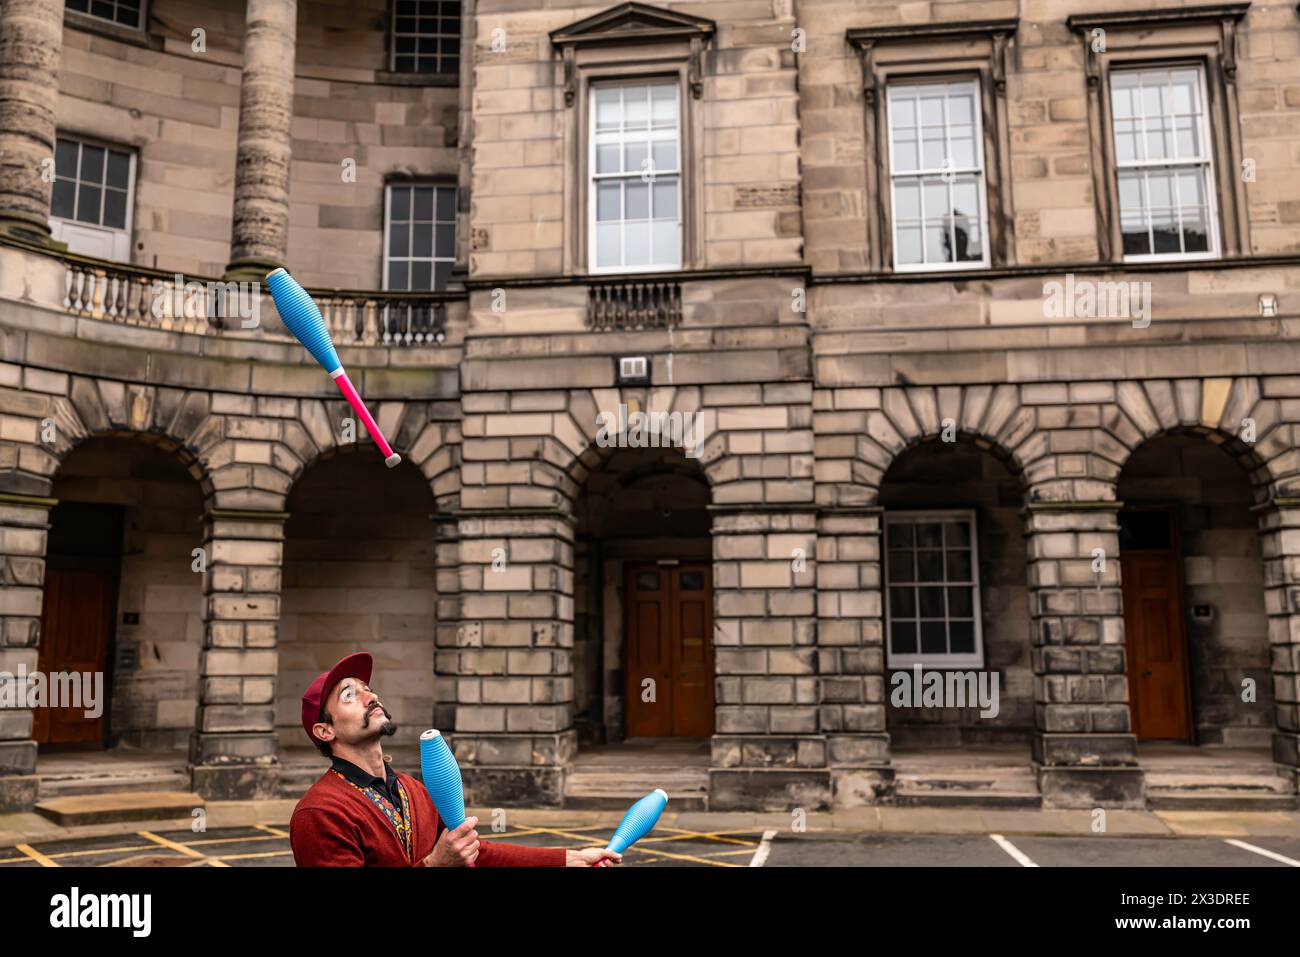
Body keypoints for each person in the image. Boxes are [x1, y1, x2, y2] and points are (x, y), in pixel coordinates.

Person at [289, 652, 620, 867]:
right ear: (324, 731)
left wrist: (570, 859)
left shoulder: (413, 789)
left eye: (368, 688)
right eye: (350, 695)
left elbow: (476, 852)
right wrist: (435, 865)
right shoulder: (320, 813)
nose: (371, 696)